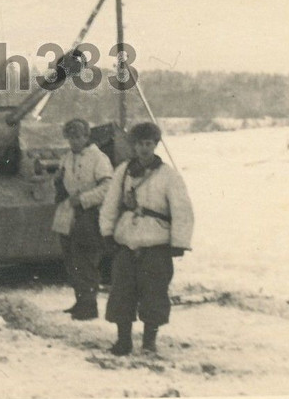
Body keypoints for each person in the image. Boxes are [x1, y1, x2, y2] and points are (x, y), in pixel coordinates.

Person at [99, 122, 194, 355]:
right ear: (133, 145)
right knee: (122, 292)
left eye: (148, 144)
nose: (144, 149)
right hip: (127, 240)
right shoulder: (122, 172)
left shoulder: (169, 176)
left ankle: (149, 341)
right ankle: (123, 341)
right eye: (139, 144)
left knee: (154, 294)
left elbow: (182, 210)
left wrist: (179, 242)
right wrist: (107, 233)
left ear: (156, 145)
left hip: (156, 243)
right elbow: (110, 204)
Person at [53, 118, 115, 320]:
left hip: (90, 213)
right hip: (70, 213)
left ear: (87, 137)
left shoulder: (98, 159)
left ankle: (89, 306)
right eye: (71, 138)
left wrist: (84, 199)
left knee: (86, 259)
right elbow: (61, 180)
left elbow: (108, 188)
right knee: (71, 258)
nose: (74, 142)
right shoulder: (67, 158)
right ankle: (80, 301)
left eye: (78, 137)